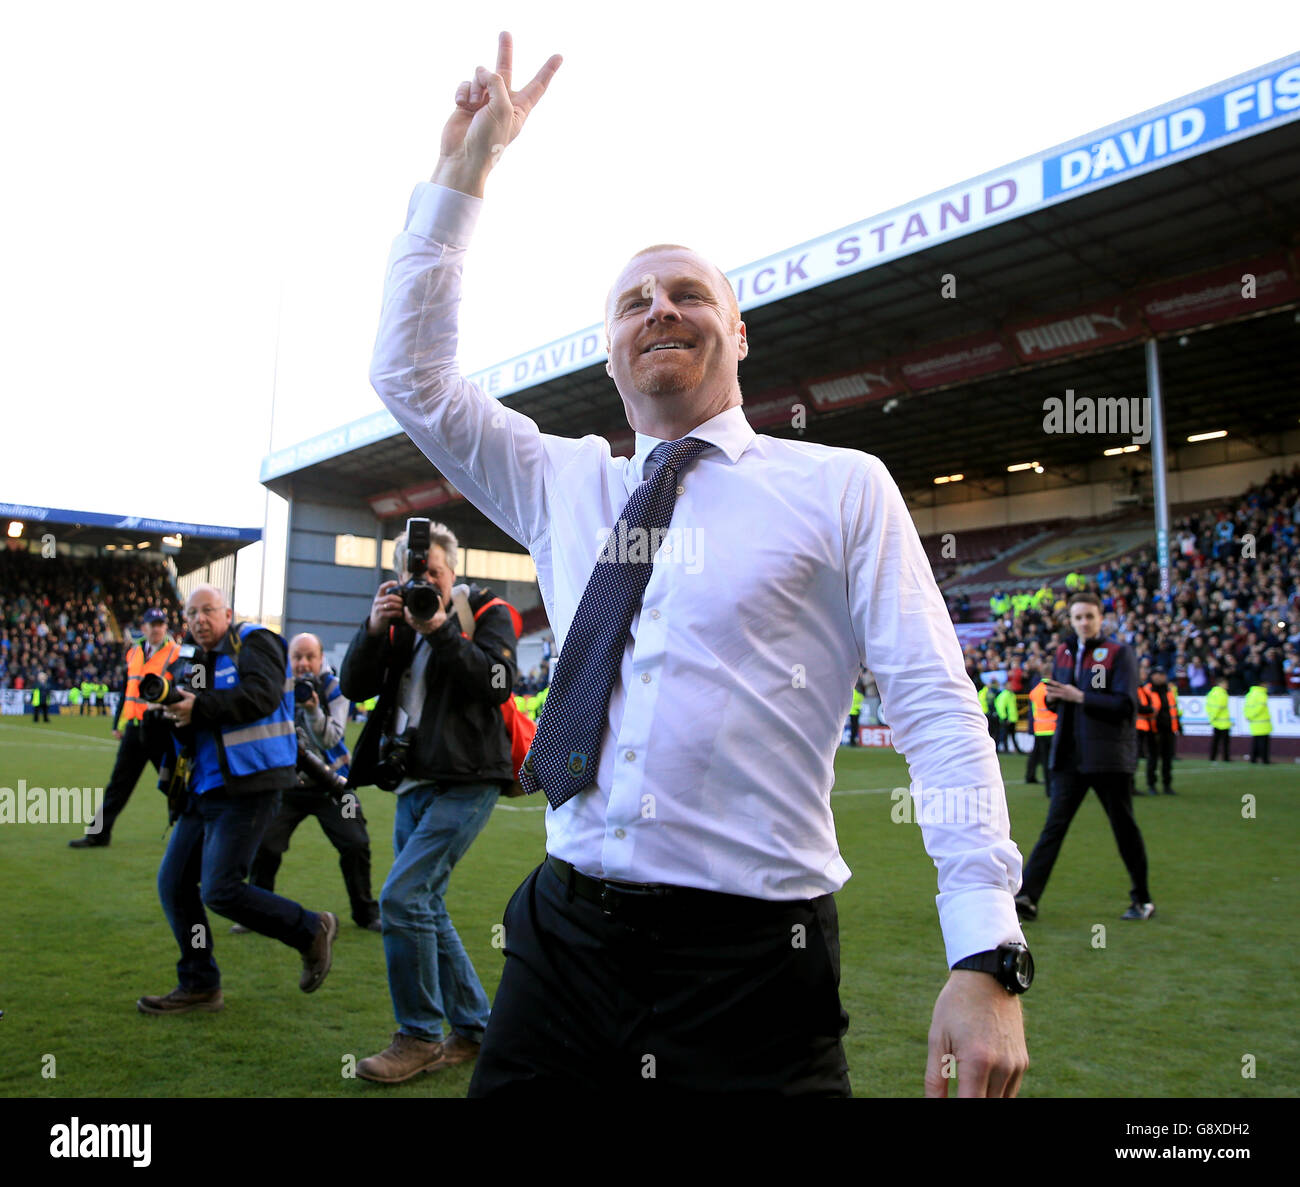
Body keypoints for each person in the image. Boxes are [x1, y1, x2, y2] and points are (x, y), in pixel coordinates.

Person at [367, 32, 1029, 1098]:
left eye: (685, 292)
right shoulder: (561, 481)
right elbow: (409, 375)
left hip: (756, 966)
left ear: (739, 330)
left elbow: (936, 707)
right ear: (610, 348)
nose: (657, 310)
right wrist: (465, 172)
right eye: (632, 302)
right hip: (564, 933)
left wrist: (987, 950)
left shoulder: (839, 485)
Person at [340, 523, 518, 1083]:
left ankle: (417, 1036)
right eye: (416, 576)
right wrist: (373, 630)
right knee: (426, 906)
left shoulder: (486, 609)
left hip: (468, 778)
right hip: (411, 778)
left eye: (435, 574)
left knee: (402, 897)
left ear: (453, 572)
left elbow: (497, 681)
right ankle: (474, 1026)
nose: (426, 583)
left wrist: (440, 627)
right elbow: (352, 686)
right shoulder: (392, 621)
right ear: (399, 577)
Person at [136, 586, 338, 1015]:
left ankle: (310, 928)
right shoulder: (193, 658)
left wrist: (199, 708)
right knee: (174, 884)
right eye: (191, 614)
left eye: (207, 610)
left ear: (227, 612)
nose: (199, 620)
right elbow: (195, 718)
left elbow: (260, 695)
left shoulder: (256, 641)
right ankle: (199, 984)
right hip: (204, 787)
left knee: (221, 889)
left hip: (252, 782)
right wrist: (171, 715)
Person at [1015, 592, 1155, 922]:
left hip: (1107, 757)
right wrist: (1054, 698)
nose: (1083, 623)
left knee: (1124, 829)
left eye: (1089, 617)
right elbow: (1060, 700)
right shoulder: (1064, 651)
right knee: (1053, 828)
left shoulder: (1119, 654)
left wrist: (1081, 697)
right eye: (1078, 617)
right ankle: (1027, 898)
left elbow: (1125, 705)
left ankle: (1142, 899)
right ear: (1071, 620)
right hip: (1069, 756)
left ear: (1101, 618)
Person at [237, 633, 381, 933]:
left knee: (356, 843)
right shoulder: (277, 686)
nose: (303, 664)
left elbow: (331, 738)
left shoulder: (336, 688)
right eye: (297, 657)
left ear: (320, 658)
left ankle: (366, 914)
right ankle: (257, 914)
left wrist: (314, 709)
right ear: (288, 660)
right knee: (265, 845)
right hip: (288, 784)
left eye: (309, 657)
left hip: (335, 785)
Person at [71, 608, 180, 848]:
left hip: (160, 727)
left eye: (161, 624)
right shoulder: (134, 653)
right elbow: (127, 690)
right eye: (152, 624)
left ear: (165, 627)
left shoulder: (176, 654)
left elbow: (184, 689)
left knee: (174, 784)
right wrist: (117, 722)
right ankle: (97, 835)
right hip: (134, 728)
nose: (157, 628)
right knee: (119, 783)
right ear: (144, 628)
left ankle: (191, 835)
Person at [1137, 667, 1180, 795]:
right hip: (1153, 729)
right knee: (1153, 759)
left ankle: (1167, 785)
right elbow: (1145, 708)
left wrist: (1178, 725)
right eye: (1159, 674)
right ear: (1153, 676)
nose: (1162, 677)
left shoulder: (1169, 690)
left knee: (1167, 759)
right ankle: (1152, 785)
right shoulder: (1147, 689)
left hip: (1168, 729)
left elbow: (1173, 709)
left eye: (1163, 674)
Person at [1024, 668, 1055, 798]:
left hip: (1040, 729)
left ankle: (1049, 790)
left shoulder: (1035, 690)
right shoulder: (1052, 688)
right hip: (1053, 728)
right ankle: (1056, 788)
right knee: (1055, 761)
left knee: (1044, 760)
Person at [1243, 682, 1272, 763]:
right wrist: (1253, 715)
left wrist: (1249, 716)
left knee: (1255, 741)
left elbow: (1246, 707)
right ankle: (1265, 759)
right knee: (1263, 742)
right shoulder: (1262, 695)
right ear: (1262, 685)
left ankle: (1253, 759)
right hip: (1263, 722)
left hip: (1254, 722)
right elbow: (1260, 708)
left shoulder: (1250, 694)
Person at [1205, 674, 1232, 761]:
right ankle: (1226, 758)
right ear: (1220, 684)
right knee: (1225, 742)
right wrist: (1214, 716)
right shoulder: (1222, 694)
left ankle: (1212, 757)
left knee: (1215, 741)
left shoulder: (1211, 693)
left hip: (1215, 721)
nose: (1227, 685)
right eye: (1225, 683)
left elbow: (1209, 707)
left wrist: (1212, 718)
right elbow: (1219, 707)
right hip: (1223, 722)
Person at [994, 682, 1019, 753]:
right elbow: (1001, 707)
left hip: (1012, 719)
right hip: (1007, 719)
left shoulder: (1012, 695)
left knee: (1012, 735)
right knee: (1003, 734)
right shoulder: (1004, 695)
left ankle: (1015, 749)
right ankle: (1004, 748)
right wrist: (1005, 718)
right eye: (1010, 685)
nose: (1011, 686)